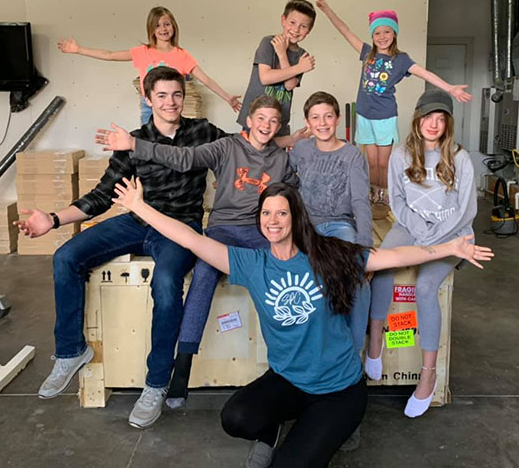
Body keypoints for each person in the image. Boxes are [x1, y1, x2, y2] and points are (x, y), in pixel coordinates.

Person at [112, 179, 491, 468]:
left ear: (295, 217)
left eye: (281, 213)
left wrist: (450, 248)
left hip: (339, 390)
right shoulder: (252, 265)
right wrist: (139, 206)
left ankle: (331, 427)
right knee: (236, 418)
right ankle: (279, 427)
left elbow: (392, 256)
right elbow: (191, 239)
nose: (273, 221)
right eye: (266, 213)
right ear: (258, 219)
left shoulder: (329, 255)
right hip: (289, 381)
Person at [14, 66, 228, 429]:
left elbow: (244, 146)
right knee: (67, 256)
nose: (170, 102)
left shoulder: (203, 131)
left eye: (176, 94)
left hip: (179, 226)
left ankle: (156, 383)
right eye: (161, 95)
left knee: (164, 283)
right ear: (148, 99)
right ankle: (70, 351)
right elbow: (102, 195)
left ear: (184, 95)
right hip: (136, 219)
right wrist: (52, 219)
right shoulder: (132, 139)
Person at [95, 94, 299, 410]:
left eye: (274, 121)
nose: (267, 126)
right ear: (248, 120)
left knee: (283, 273)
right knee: (204, 272)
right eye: (261, 118)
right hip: (223, 229)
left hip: (261, 233)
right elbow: (184, 158)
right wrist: (135, 145)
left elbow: (295, 192)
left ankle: (285, 364)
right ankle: (184, 363)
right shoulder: (227, 146)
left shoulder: (281, 158)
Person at [365, 89, 478, 418]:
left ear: (447, 124)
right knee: (382, 267)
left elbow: (466, 209)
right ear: (417, 119)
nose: (433, 123)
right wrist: (419, 233)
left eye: (440, 118)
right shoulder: (401, 155)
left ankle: (428, 375)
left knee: (426, 288)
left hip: (452, 234)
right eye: (428, 116)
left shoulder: (460, 158)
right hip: (412, 227)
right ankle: (376, 339)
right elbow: (397, 202)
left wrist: (435, 243)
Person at [312, 0, 472, 218]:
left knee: (385, 162)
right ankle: (372, 194)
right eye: (377, 32)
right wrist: (327, 10)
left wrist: (450, 88)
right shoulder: (367, 53)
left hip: (385, 116)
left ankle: (385, 194)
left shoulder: (401, 60)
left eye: (386, 31)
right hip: (365, 115)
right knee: (372, 161)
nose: (382, 36)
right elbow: (345, 30)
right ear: (372, 35)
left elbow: (425, 74)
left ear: (394, 34)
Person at [289, 91, 372, 352]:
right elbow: (284, 180)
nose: (322, 123)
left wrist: (365, 244)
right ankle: (311, 349)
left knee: (355, 275)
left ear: (337, 119)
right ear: (307, 122)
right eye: (315, 117)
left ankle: (353, 348)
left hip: (339, 225)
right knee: (304, 278)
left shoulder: (351, 155)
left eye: (328, 116)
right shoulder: (301, 149)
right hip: (307, 226)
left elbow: (360, 200)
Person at [58, 6, 241, 124]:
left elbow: (206, 79)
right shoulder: (143, 51)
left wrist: (227, 97)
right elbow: (110, 55)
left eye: (167, 24)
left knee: (172, 148)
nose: (163, 29)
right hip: (150, 108)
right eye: (158, 25)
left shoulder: (182, 55)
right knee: (150, 148)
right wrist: (79, 49)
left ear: (174, 27)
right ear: (152, 30)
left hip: (172, 109)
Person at [236, 0, 316, 137]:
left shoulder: (302, 55)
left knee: (276, 157)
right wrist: (299, 67)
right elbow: (265, 77)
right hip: (255, 118)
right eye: (292, 23)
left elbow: (290, 85)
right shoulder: (268, 42)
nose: (296, 30)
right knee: (250, 155)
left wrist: (282, 54)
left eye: (303, 26)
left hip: (279, 121)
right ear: (283, 20)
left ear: (309, 30)